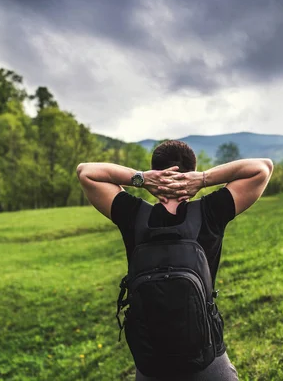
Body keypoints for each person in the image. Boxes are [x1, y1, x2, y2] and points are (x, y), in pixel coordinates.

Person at [77, 140, 273, 381]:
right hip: (207, 360)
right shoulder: (210, 212)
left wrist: (141, 179)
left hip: (151, 363)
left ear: (155, 170)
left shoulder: (133, 214)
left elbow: (85, 172)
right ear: (190, 171)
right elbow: (262, 168)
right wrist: (202, 179)